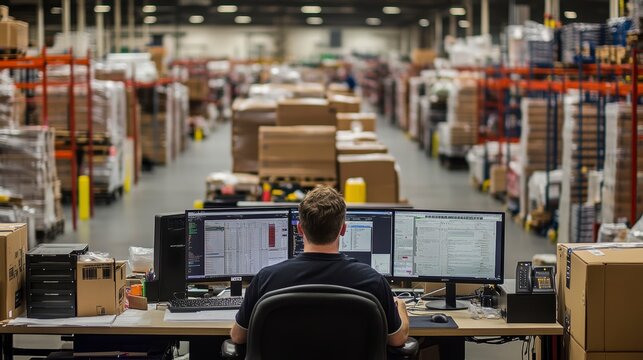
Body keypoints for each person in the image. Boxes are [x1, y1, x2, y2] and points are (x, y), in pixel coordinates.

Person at [230, 186, 409, 347]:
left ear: (300, 229)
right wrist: (400, 307)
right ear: (343, 229)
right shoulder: (373, 282)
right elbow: (397, 339)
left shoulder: (266, 279)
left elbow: (238, 337)